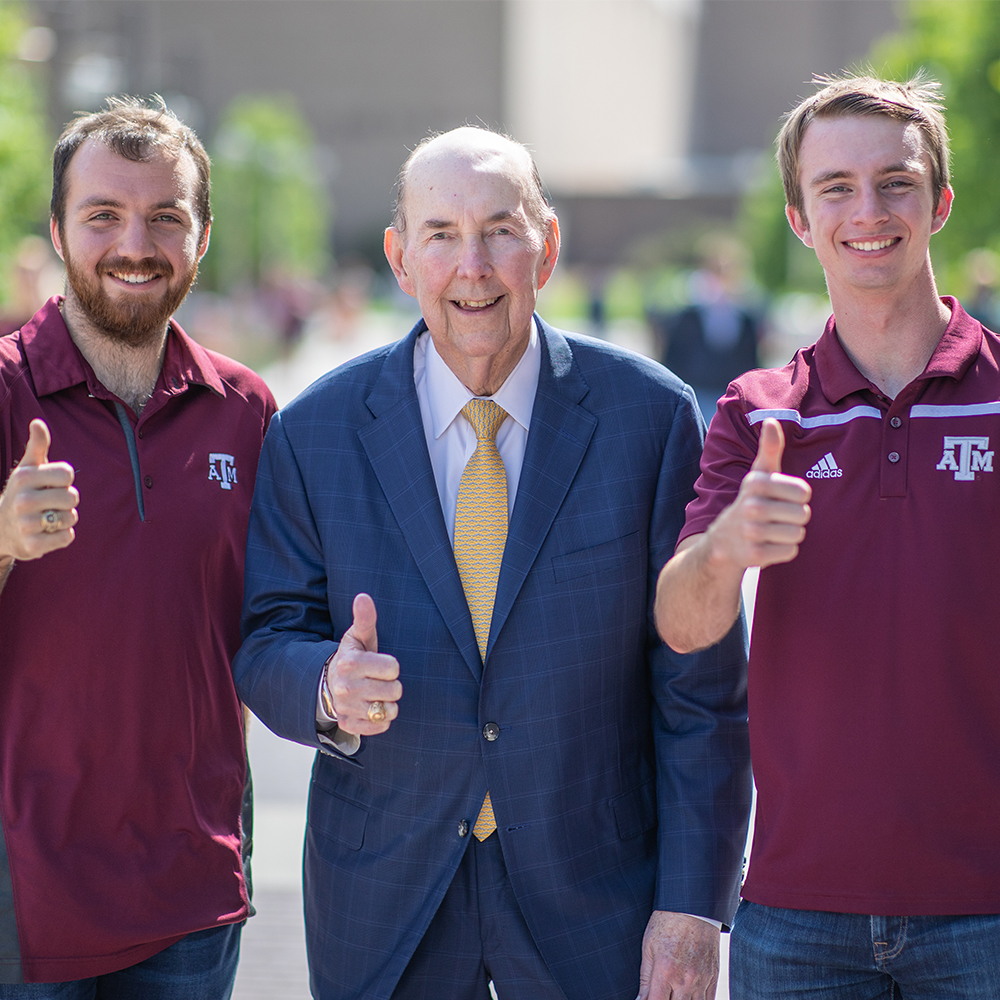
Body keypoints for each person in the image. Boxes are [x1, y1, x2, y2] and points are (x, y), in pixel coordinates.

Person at [235, 126, 751, 1000]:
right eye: (440, 235)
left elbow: (698, 690)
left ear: (547, 247)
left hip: (598, 897)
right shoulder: (313, 431)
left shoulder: (651, 420)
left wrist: (695, 909)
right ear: (401, 258)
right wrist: (325, 683)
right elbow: (265, 637)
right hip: (384, 897)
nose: (471, 264)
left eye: (500, 230)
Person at [655, 73, 1000, 999]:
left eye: (896, 182)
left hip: (988, 910)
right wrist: (729, 546)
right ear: (800, 220)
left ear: (939, 203)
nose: (868, 210)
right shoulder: (760, 411)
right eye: (835, 188)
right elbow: (682, 623)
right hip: (796, 913)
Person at [0, 97, 276, 996]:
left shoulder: (248, 411)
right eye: (103, 216)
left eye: (165, 217)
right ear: (56, 229)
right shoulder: (4, 393)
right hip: (23, 890)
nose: (135, 243)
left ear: (201, 239)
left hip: (191, 884)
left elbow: (277, 617)